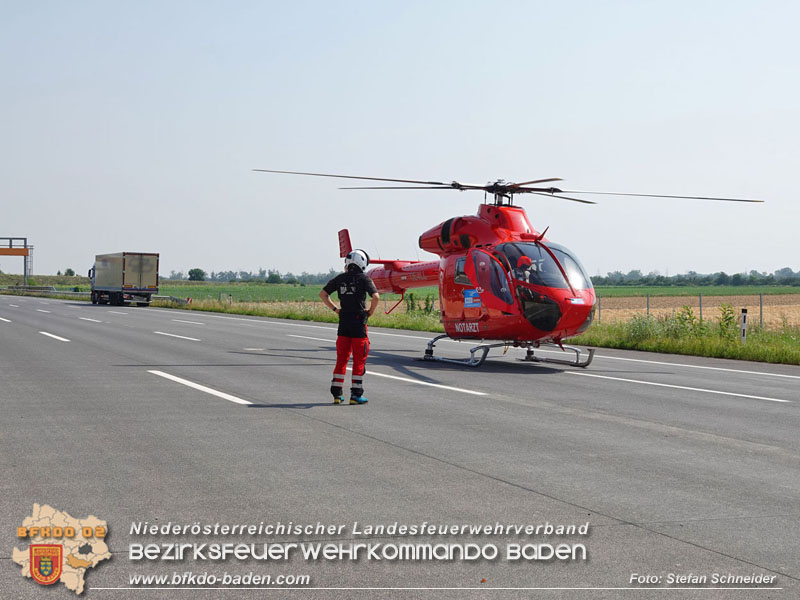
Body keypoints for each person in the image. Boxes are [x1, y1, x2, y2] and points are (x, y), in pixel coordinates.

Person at [319, 249, 380, 405]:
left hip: (343, 322)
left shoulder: (340, 278)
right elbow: (375, 296)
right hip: (359, 323)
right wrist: (370, 312)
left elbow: (323, 294)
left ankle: (337, 395)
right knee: (359, 360)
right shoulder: (364, 279)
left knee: (342, 359)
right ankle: (356, 395)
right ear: (363, 263)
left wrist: (336, 309)